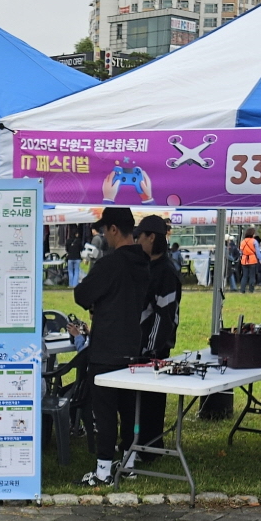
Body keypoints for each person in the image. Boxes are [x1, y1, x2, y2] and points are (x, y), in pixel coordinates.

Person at [72, 206, 152, 486]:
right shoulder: (144, 263)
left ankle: (104, 471)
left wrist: (97, 302)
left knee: (104, 412)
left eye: (105, 230)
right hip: (133, 346)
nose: (104, 235)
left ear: (114, 229)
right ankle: (129, 462)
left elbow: (82, 294)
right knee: (129, 410)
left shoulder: (110, 263)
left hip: (107, 347)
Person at [134, 214, 182, 453]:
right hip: (143, 343)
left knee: (152, 401)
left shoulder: (165, 271)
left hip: (155, 347)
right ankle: (139, 444)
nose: (137, 241)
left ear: (152, 237)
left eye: (140, 237)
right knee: (140, 400)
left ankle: (150, 448)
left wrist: (149, 348)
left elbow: (165, 315)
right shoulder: (149, 265)